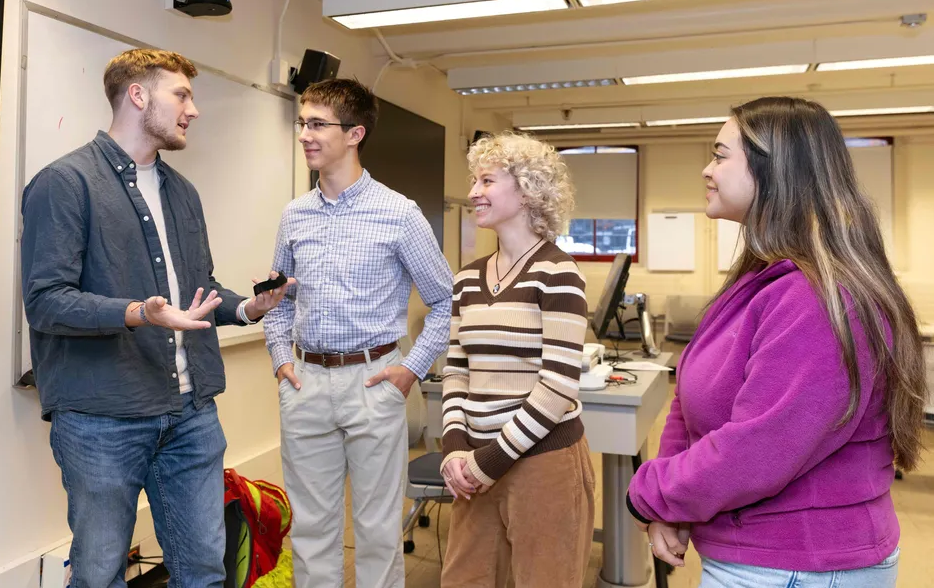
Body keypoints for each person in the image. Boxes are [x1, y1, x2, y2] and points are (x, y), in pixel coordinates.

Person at [627, 96, 926, 588]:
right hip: (759, 555)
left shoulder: (819, 300)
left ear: (775, 168)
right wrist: (671, 499)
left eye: (721, 155)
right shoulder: (763, 277)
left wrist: (649, 493)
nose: (707, 169)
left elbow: (757, 448)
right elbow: (690, 395)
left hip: (798, 563)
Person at [21, 49, 292, 588]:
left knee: (204, 572)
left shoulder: (182, 192)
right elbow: (46, 300)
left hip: (190, 414)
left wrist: (245, 307)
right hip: (102, 418)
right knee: (98, 575)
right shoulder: (65, 183)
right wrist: (136, 313)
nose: (194, 109)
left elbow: (199, 288)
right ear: (139, 96)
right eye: (182, 95)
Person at [263, 78, 454, 588]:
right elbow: (277, 300)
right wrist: (282, 360)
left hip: (374, 382)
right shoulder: (294, 214)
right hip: (304, 383)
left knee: (375, 532)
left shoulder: (399, 213)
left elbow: (444, 302)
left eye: (317, 124)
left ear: (355, 134)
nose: (304, 134)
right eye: (302, 123)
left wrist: (410, 371)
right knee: (312, 532)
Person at [439, 132, 594, 588]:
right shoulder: (466, 278)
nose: (472, 193)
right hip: (473, 464)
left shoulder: (558, 272)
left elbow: (558, 386)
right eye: (473, 180)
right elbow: (456, 369)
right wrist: (454, 448)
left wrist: (489, 461)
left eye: (487, 180)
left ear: (526, 191)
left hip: (540, 463)